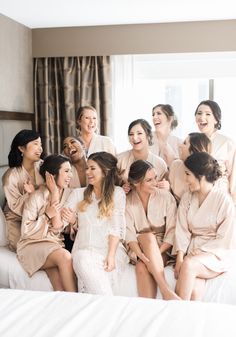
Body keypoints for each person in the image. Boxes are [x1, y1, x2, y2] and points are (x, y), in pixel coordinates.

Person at [62, 151, 129, 295]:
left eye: (92, 168)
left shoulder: (117, 193)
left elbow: (116, 228)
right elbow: (62, 219)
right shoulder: (78, 194)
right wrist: (72, 221)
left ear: (105, 171)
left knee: (92, 273)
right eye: (87, 168)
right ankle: (108, 303)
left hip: (108, 250)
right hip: (84, 249)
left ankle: (105, 304)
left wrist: (110, 256)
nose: (87, 172)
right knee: (81, 258)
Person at [174, 152, 236, 300]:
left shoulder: (224, 201)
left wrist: (199, 252)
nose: (185, 179)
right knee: (194, 289)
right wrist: (179, 257)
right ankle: (190, 321)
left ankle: (174, 313)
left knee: (189, 265)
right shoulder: (187, 197)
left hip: (215, 254)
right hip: (192, 251)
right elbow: (182, 230)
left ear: (200, 176)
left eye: (188, 174)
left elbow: (225, 239)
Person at [17, 154, 77, 292]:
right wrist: (47, 215)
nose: (71, 175)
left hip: (53, 243)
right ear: (52, 175)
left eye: (71, 171)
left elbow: (57, 227)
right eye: (66, 171)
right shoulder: (36, 197)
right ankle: (77, 300)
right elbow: (26, 231)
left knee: (60, 287)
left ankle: (66, 311)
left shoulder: (70, 195)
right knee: (65, 257)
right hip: (32, 245)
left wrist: (55, 194)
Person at [125, 160, 180, 300]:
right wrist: (142, 255)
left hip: (163, 247)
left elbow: (173, 230)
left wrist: (155, 251)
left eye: (155, 177)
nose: (155, 182)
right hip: (138, 248)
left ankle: (162, 295)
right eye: (149, 180)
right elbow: (129, 233)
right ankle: (165, 292)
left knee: (141, 267)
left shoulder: (166, 197)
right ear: (137, 183)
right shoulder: (126, 201)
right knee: (145, 245)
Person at [2, 129, 44, 251]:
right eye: (35, 144)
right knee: (28, 250)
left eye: (40, 144)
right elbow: (15, 206)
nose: (40, 148)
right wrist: (31, 194)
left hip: (41, 217)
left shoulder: (42, 166)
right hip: (17, 220)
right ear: (21, 148)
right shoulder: (10, 176)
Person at [195, 100, 236, 204]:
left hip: (220, 196)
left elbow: (233, 176)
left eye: (208, 114)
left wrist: (232, 201)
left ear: (216, 120)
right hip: (198, 196)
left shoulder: (226, 143)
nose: (201, 117)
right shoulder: (192, 141)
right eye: (199, 113)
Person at [117, 119, 168, 193]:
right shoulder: (119, 160)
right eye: (131, 134)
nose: (134, 138)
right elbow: (111, 187)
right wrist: (120, 189)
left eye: (139, 133)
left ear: (148, 136)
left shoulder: (160, 163)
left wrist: (166, 187)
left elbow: (164, 192)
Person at [169, 132, 211, 202]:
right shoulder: (175, 165)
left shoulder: (207, 173)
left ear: (193, 150)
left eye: (185, 143)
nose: (180, 146)